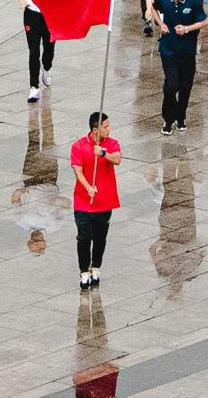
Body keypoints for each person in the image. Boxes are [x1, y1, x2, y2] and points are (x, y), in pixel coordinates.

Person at [150, 0, 208, 135]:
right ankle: (168, 119)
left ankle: (181, 117)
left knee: (185, 87)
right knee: (171, 85)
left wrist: (187, 29)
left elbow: (204, 20)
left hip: (187, 51)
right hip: (168, 49)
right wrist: (160, 24)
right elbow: (153, 8)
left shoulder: (192, 0)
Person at [71, 111, 122, 289]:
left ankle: (96, 267)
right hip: (83, 201)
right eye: (105, 127)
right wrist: (88, 187)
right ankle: (84, 271)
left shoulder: (112, 144)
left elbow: (117, 159)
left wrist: (103, 154)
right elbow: (78, 171)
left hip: (104, 201)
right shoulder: (78, 146)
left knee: (100, 237)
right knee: (84, 237)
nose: (108, 129)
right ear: (95, 130)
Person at [13, 0, 54, 102]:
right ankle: (34, 87)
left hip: (50, 14)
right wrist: (22, 1)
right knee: (33, 51)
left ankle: (47, 68)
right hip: (31, 14)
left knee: (49, 48)